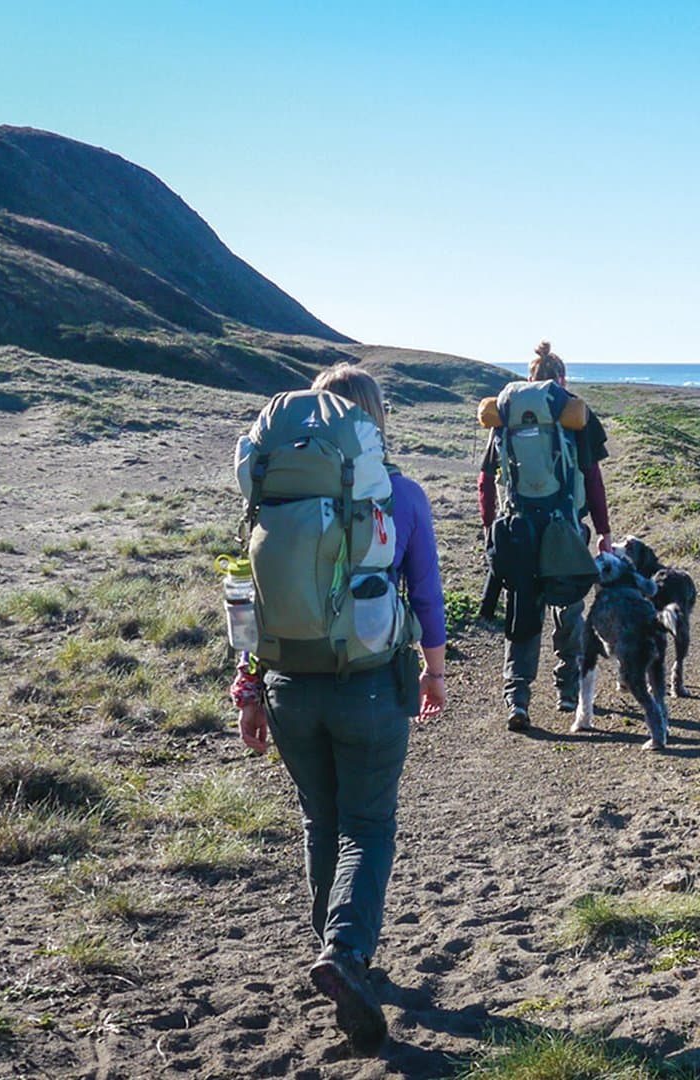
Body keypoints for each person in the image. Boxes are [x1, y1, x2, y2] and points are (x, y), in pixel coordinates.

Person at [232, 364, 447, 1056]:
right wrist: (434, 672)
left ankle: (330, 945)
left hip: (291, 686)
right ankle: (345, 953)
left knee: (319, 820)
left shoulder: (273, 498)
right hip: (370, 685)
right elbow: (427, 592)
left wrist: (249, 691)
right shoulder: (403, 496)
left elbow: (251, 599)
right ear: (372, 423)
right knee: (368, 825)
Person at [477, 341, 612, 729]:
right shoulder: (573, 413)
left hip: (517, 528)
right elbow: (593, 479)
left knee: (523, 611)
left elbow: (486, 479)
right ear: (561, 378)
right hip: (564, 526)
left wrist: (490, 526)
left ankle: (517, 700)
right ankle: (568, 691)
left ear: (529, 378)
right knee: (568, 606)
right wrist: (603, 530)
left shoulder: (506, 414)